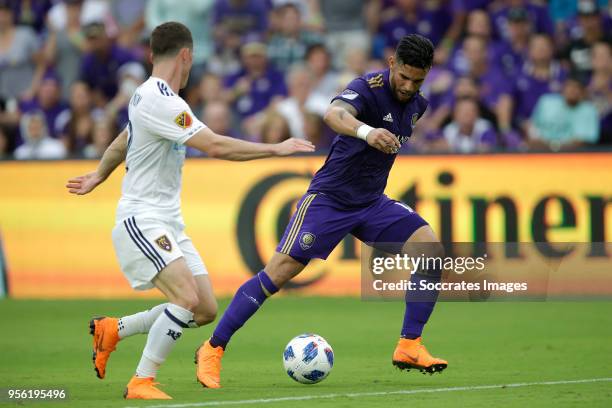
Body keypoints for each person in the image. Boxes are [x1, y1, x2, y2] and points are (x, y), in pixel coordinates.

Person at [65, 21, 314, 400]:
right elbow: (215, 146)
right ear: (187, 55)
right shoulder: (160, 99)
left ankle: (112, 329)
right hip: (142, 218)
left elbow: (124, 138)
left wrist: (99, 174)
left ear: (152, 55)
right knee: (184, 298)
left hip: (167, 221)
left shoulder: (147, 97)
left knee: (204, 308)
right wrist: (276, 148)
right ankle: (141, 381)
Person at [195, 34, 448, 390]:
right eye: (404, 77)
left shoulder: (418, 105)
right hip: (329, 199)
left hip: (371, 202)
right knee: (276, 275)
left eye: (417, 81)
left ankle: (409, 345)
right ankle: (212, 348)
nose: (408, 87)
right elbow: (334, 114)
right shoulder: (368, 87)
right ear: (392, 63)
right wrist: (366, 131)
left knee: (432, 253)